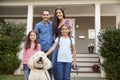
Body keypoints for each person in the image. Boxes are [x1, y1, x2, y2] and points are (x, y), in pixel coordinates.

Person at [52, 7, 73, 80]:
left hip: (65, 46)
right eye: (57, 13)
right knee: (54, 66)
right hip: (57, 46)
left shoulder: (67, 21)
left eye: (59, 12)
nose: (58, 14)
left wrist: (70, 46)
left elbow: (70, 34)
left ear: (63, 13)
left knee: (65, 67)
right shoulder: (56, 23)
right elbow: (54, 35)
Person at [34, 10, 54, 79]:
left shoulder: (52, 24)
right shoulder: (38, 25)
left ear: (49, 16)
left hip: (51, 49)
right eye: (44, 15)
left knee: (50, 67)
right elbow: (35, 37)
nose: (46, 16)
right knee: (41, 67)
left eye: (47, 15)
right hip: (41, 49)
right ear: (42, 16)